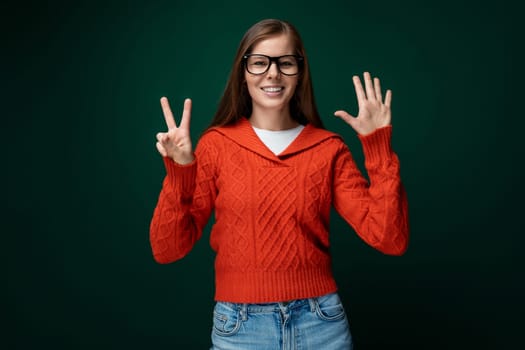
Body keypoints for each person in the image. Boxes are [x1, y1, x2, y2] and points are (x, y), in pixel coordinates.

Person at [150, 18, 409, 350]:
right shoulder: (216, 146)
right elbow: (167, 249)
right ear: (242, 73)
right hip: (240, 328)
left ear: (299, 73)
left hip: (322, 324)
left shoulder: (328, 148)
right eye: (259, 63)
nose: (272, 73)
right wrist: (179, 172)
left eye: (285, 63)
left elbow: (391, 239)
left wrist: (377, 145)